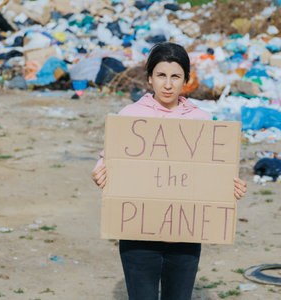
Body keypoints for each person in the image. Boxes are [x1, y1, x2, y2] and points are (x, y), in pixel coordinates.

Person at [92, 42, 247, 300]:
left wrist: (230, 187)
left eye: (176, 76)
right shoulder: (130, 116)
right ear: (150, 77)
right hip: (137, 236)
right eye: (161, 75)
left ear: (186, 79)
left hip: (185, 238)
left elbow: (212, 173)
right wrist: (100, 172)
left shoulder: (201, 120)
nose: (168, 84)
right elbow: (109, 159)